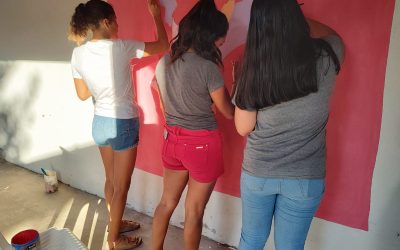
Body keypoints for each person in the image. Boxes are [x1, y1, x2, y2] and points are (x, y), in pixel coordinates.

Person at [233, 0, 344, 249]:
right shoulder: (328, 54)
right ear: (295, 16)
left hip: (259, 172)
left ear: (258, 26)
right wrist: (292, 22)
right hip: (305, 177)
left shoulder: (252, 70)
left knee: (251, 240)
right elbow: (333, 35)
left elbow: (243, 128)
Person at [68, 0, 168, 249]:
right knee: (122, 187)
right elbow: (164, 45)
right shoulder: (122, 47)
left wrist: (101, 85)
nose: (118, 25)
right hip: (122, 123)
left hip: (100, 123)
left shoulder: (78, 53)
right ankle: (114, 240)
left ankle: (115, 222)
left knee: (111, 182)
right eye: (116, 20)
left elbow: (82, 95)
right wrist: (156, 16)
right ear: (106, 22)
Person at [151, 1, 234, 249]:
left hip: (172, 142)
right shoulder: (209, 69)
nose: (222, 43)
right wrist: (238, 86)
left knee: (166, 203)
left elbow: (164, 105)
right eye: (221, 39)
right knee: (194, 212)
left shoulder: (164, 62)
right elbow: (229, 113)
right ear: (210, 36)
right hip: (201, 146)